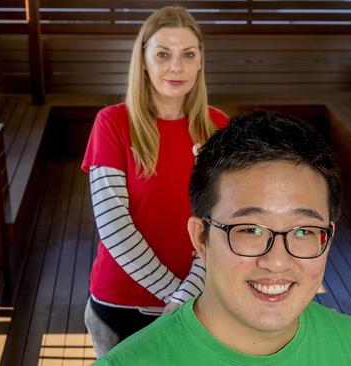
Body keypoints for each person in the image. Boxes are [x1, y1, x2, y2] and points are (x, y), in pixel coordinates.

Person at [94, 111, 351, 365]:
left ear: (328, 238)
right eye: (250, 230)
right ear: (200, 239)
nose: (277, 262)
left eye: (303, 231)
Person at [81, 6, 229, 357]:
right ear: (143, 61)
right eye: (163, 54)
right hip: (122, 308)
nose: (176, 66)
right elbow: (114, 227)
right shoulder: (113, 123)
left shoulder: (219, 127)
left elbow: (220, 222)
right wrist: (176, 298)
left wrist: (187, 296)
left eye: (187, 55)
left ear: (199, 62)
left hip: (198, 304)